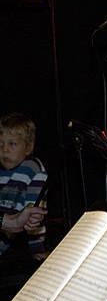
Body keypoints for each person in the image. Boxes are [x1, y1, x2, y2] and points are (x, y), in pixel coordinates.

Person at [0, 112, 48, 261]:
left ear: (28, 147)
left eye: (12, 144)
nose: (5, 149)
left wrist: (37, 249)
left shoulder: (33, 169)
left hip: (13, 243)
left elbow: (34, 214)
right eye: (0, 143)